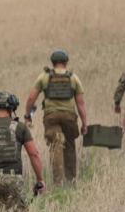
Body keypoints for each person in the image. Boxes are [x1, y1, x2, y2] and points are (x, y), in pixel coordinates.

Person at [23, 50, 88, 186]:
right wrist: (84, 124)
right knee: (69, 146)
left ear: (52, 63)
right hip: (69, 117)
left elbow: (31, 98)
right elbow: (80, 103)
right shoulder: (73, 78)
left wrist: (28, 115)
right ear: (66, 62)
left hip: (51, 116)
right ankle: (71, 182)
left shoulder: (44, 77)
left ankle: (58, 183)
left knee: (55, 146)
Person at [0, 92, 45, 211]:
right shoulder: (21, 128)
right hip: (14, 180)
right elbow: (34, 154)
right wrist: (40, 179)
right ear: (12, 108)